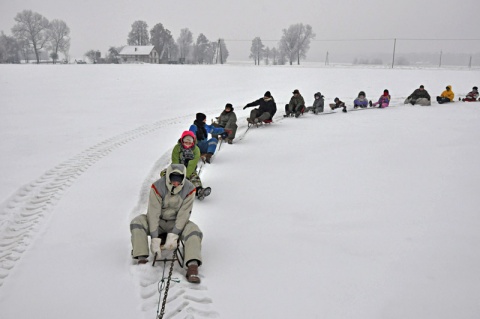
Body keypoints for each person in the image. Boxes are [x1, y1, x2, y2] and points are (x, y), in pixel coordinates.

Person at [130, 164, 203, 283]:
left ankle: (192, 266)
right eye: (173, 179)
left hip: (176, 223)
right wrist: (154, 238)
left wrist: (174, 234)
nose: (175, 183)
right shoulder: (157, 187)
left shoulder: (190, 189)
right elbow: (153, 212)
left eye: (179, 180)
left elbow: (184, 214)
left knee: (194, 231)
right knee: (137, 222)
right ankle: (142, 258)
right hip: (157, 222)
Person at [163, 131, 211, 200]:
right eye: (186, 142)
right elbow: (175, 160)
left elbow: (192, 164)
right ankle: (168, 188)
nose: (188, 144)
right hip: (176, 168)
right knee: (165, 173)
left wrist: (186, 176)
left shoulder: (196, 150)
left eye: (190, 143)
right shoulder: (177, 148)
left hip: (190, 169)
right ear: (182, 141)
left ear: (193, 142)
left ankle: (199, 190)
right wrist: (178, 174)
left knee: (194, 177)